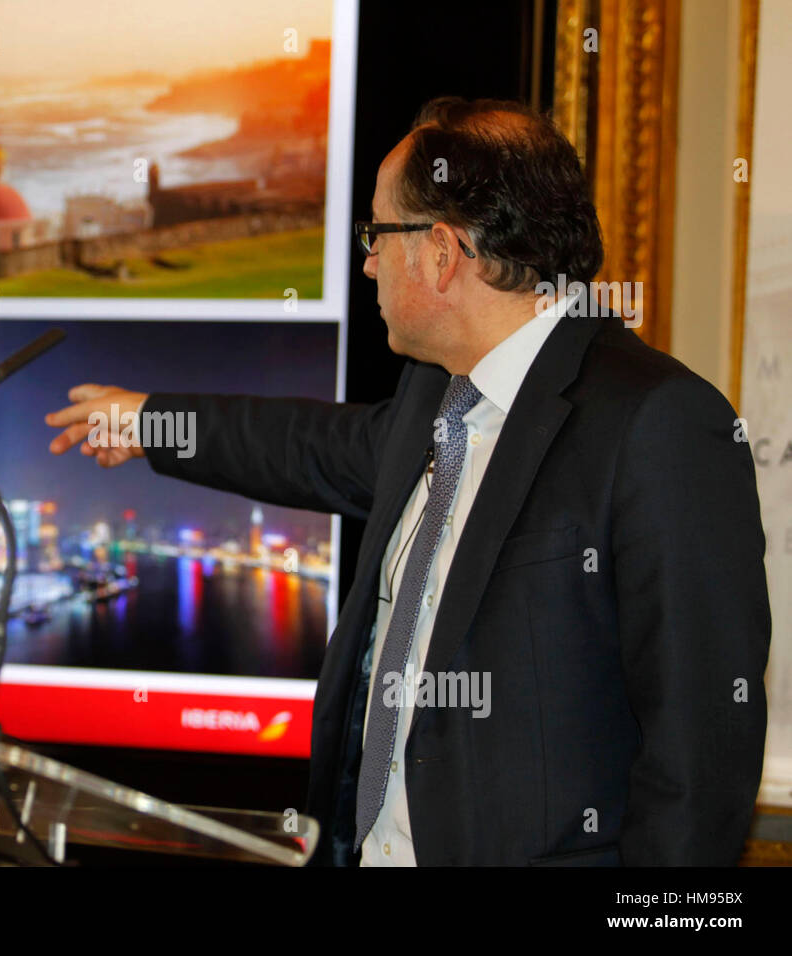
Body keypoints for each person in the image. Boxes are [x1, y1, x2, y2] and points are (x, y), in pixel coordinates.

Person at [44, 97, 771, 866]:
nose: (366, 263)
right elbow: (303, 446)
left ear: (441, 251)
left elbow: (699, 758)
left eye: (375, 233)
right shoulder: (437, 397)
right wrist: (152, 421)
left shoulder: (656, 422)